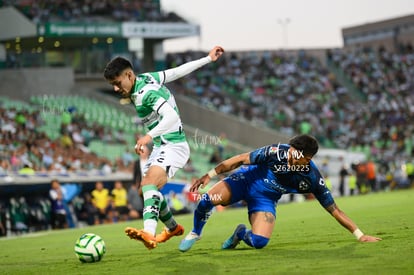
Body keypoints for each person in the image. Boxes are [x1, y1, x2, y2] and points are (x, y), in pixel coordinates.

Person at [103, 45, 225, 249]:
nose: (116, 89)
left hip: (173, 146)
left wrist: (147, 137)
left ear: (129, 75)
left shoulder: (146, 93)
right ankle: (172, 228)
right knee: (148, 191)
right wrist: (207, 59)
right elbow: (176, 72)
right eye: (112, 85)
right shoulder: (146, 78)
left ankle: (148, 233)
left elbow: (172, 116)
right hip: (162, 146)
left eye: (117, 83)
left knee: (149, 184)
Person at [179, 134, 382, 252]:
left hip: (265, 198)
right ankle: (196, 232)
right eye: (292, 151)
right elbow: (241, 159)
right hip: (246, 180)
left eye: (297, 155)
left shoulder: (312, 178)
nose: (290, 156)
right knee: (208, 199)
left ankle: (239, 233)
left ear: (308, 159)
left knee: (259, 242)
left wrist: (359, 235)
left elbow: (334, 210)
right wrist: (209, 174)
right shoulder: (276, 152)